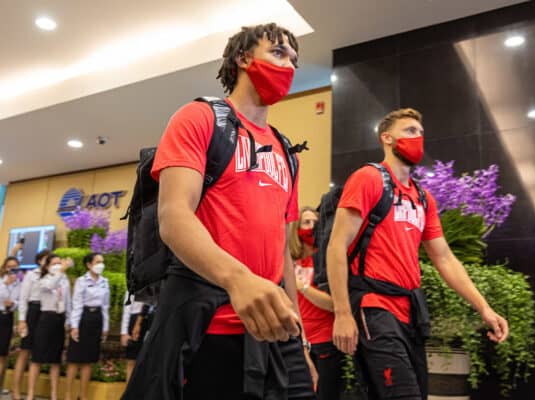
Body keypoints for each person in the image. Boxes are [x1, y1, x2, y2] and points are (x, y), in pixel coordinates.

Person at [123, 23, 316, 400]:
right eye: (278, 53)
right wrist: (238, 280)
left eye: (294, 60)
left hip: (274, 331)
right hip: (206, 327)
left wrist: (301, 339)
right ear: (243, 58)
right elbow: (174, 218)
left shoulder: (286, 151)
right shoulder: (200, 118)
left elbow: (281, 251)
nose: (289, 66)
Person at [327, 108, 510, 400]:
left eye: (421, 133)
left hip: (410, 312)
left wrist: (484, 308)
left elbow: (445, 258)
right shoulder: (369, 178)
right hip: (374, 306)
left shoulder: (423, 198)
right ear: (387, 138)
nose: (418, 137)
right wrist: (342, 313)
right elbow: (336, 246)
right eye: (410, 131)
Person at [291, 207, 346, 399]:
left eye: (315, 223)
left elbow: (333, 304)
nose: (311, 227)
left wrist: (302, 287)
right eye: (306, 222)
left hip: (326, 341)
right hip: (299, 342)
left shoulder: (324, 261)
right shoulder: (291, 261)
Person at [64, 253, 110, 400]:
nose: (101, 265)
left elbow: (105, 306)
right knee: (74, 360)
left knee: (88, 361)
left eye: (102, 262)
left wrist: (105, 327)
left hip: (97, 321)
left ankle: (82, 395)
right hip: (83, 319)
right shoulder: (81, 281)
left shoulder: (105, 282)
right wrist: (74, 326)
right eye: (97, 262)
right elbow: (76, 304)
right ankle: (68, 395)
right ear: (89, 265)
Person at [26, 254, 71, 400]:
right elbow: (51, 285)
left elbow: (68, 302)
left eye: (60, 262)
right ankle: (31, 393)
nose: (59, 265)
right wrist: (61, 271)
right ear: (47, 266)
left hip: (59, 320)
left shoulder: (64, 280)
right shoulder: (43, 279)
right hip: (46, 319)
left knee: (55, 360)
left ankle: (53, 394)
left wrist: (68, 322)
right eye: (55, 263)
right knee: (37, 358)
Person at [13, 249, 50, 400]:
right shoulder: (30, 275)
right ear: (40, 260)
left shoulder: (52, 276)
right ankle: (15, 390)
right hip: (32, 312)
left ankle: (31, 393)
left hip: (46, 313)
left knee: (38, 355)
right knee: (24, 353)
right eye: (46, 259)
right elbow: (23, 298)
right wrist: (22, 320)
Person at [120, 292, 153, 382]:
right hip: (134, 321)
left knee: (147, 361)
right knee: (131, 360)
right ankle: (128, 393)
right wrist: (124, 332)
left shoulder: (156, 284)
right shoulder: (134, 282)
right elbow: (127, 308)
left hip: (151, 321)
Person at [0, 257, 21, 388]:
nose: (12, 270)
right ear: (4, 268)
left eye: (15, 267)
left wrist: (13, 303)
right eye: (10, 267)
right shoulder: (1, 282)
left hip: (7, 318)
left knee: (2, 354)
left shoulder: (20, 283)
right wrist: (6, 284)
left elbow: (21, 302)